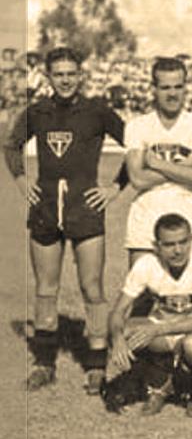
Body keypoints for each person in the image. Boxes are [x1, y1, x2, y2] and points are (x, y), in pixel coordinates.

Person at [4, 47, 127, 394]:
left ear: (81, 75)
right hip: (45, 207)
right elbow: (11, 145)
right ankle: (45, 363)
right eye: (59, 74)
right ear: (48, 76)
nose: (66, 80)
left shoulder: (97, 111)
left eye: (72, 73)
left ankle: (97, 364)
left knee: (92, 287)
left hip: (85, 207)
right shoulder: (38, 112)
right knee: (46, 288)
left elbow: (135, 145)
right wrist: (20, 178)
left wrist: (115, 187)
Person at [107, 214, 192, 416]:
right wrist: (117, 339)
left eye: (183, 242)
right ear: (156, 246)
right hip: (164, 327)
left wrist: (158, 329)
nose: (178, 250)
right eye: (168, 245)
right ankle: (157, 384)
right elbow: (117, 312)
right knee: (124, 331)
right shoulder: (146, 264)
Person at [124, 57, 192, 267]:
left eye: (178, 87)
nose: (172, 94)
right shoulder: (137, 126)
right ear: (153, 89)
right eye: (165, 87)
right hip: (146, 217)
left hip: (190, 216)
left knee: (189, 293)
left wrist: (156, 163)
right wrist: (187, 164)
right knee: (142, 293)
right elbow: (137, 179)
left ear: (186, 88)